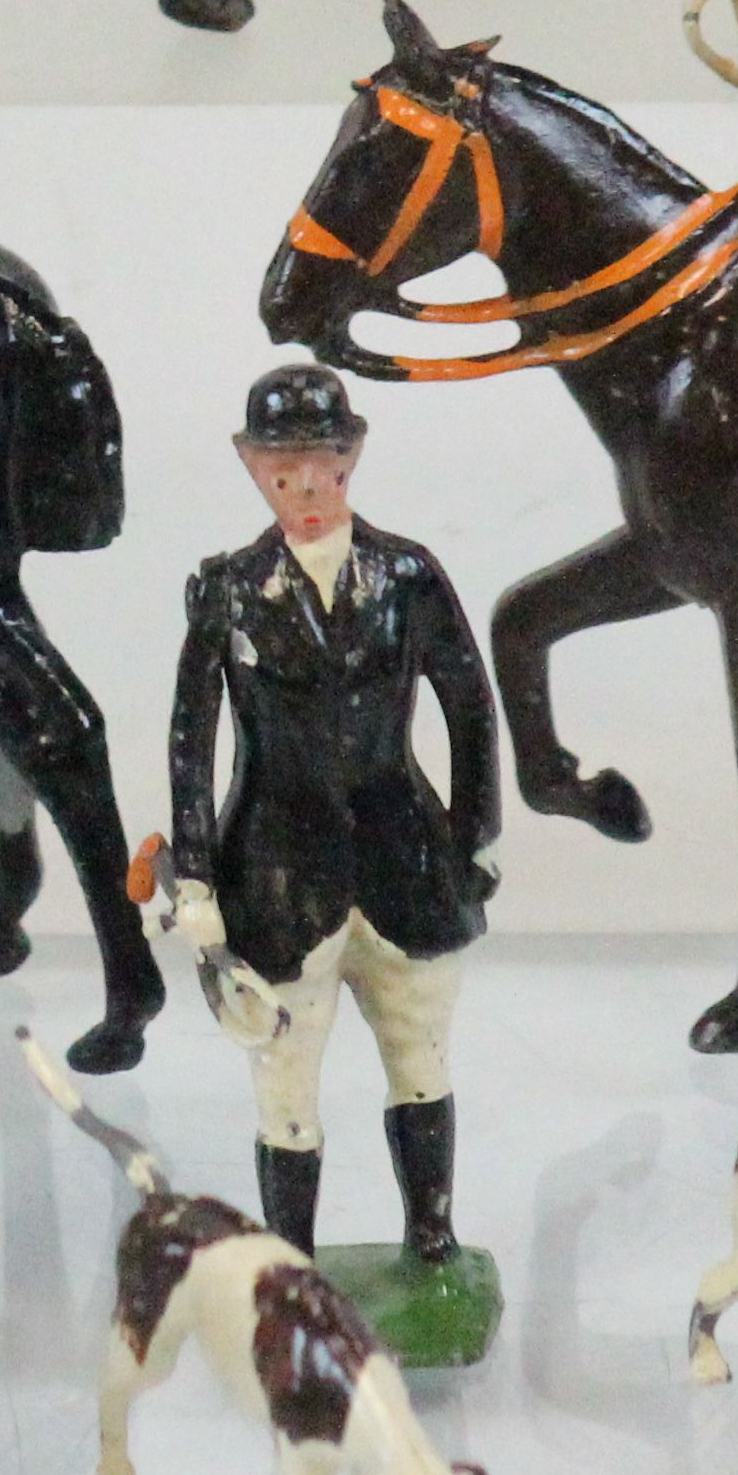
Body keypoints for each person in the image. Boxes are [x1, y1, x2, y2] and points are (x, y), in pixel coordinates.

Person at [158, 364, 497, 1260]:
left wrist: (475, 839)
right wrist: (193, 875)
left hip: (408, 863)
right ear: (251, 468)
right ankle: (291, 1259)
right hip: (274, 875)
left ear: (352, 460)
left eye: (324, 468)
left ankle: (432, 1233)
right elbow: (192, 742)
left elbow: (470, 706)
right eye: (283, 472)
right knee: (284, 1082)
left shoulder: (410, 576)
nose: (306, 490)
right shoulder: (228, 591)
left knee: (420, 1062)